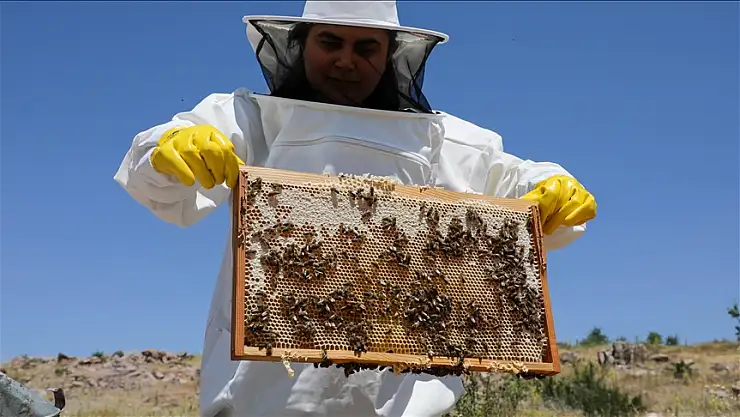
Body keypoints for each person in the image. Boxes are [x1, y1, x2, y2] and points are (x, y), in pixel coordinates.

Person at [113, 1, 597, 416]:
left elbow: (522, 186)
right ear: (302, 45)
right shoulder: (252, 118)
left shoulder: (442, 140)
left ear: (390, 55)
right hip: (259, 401)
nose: (346, 60)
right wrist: (169, 148)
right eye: (330, 42)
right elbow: (156, 176)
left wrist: (552, 187)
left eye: (366, 47)